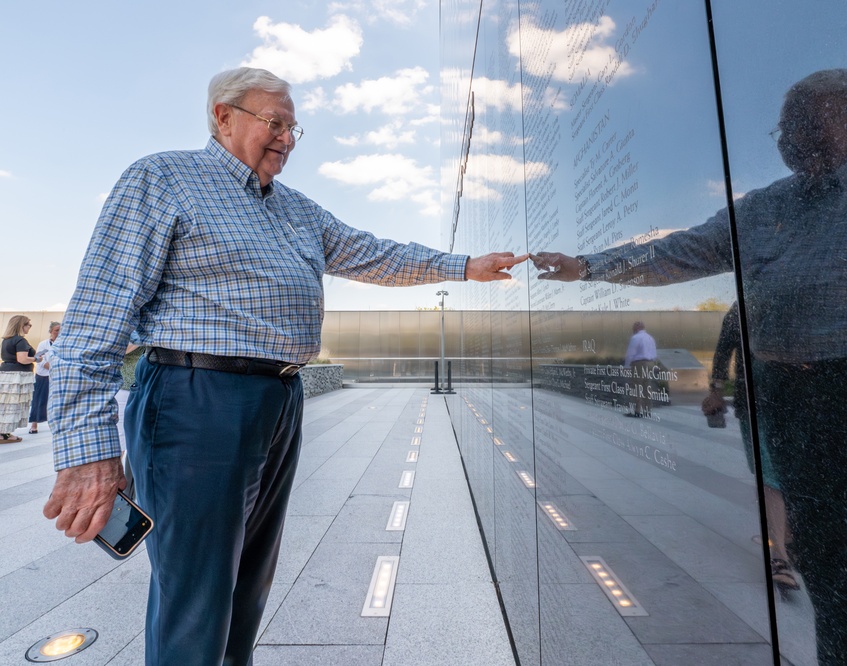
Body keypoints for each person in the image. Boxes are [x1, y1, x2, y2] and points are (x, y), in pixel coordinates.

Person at [43, 67, 526, 666]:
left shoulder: (297, 209)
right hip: (197, 400)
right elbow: (95, 320)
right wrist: (86, 454)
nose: (288, 139)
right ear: (223, 115)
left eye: (295, 128)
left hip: (278, 400)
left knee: (248, 588)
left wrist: (465, 266)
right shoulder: (162, 178)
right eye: (275, 123)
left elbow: (377, 254)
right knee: (196, 596)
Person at [531, 69, 847, 664]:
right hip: (802, 403)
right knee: (837, 574)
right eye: (786, 125)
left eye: (811, 117)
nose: (793, 136)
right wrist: (587, 266)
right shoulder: (764, 209)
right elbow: (680, 251)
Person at [701, 303, 797, 592]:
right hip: (758, 401)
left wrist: (716, 390)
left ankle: (784, 541)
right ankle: (779, 554)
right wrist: (716, 389)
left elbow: (723, 349)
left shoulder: (774, 299)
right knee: (769, 473)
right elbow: (724, 349)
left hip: (792, 398)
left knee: (778, 472)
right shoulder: (745, 305)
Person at [0, 315, 37, 443]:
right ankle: (4, 434)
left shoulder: (6, 340)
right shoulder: (20, 340)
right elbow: (22, 359)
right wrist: (37, 358)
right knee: (12, 405)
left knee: (5, 404)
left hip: (6, 374)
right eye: (28, 325)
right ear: (21, 325)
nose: (29, 327)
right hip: (17, 375)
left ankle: (4, 432)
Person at [28, 320, 60, 434]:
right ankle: (34, 425)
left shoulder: (62, 344)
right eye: (56, 330)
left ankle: (55, 426)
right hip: (43, 375)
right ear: (51, 331)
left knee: (56, 401)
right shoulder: (43, 344)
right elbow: (39, 359)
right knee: (38, 399)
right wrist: (53, 368)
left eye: (60, 330)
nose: (58, 332)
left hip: (57, 377)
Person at [623, 321, 657, 417]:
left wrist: (626, 366)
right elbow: (654, 353)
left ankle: (637, 411)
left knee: (636, 387)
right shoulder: (650, 338)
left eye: (633, 328)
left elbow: (631, 353)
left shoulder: (635, 338)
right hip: (650, 363)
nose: (632, 330)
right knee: (647, 387)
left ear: (637, 328)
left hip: (639, 364)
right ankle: (647, 410)